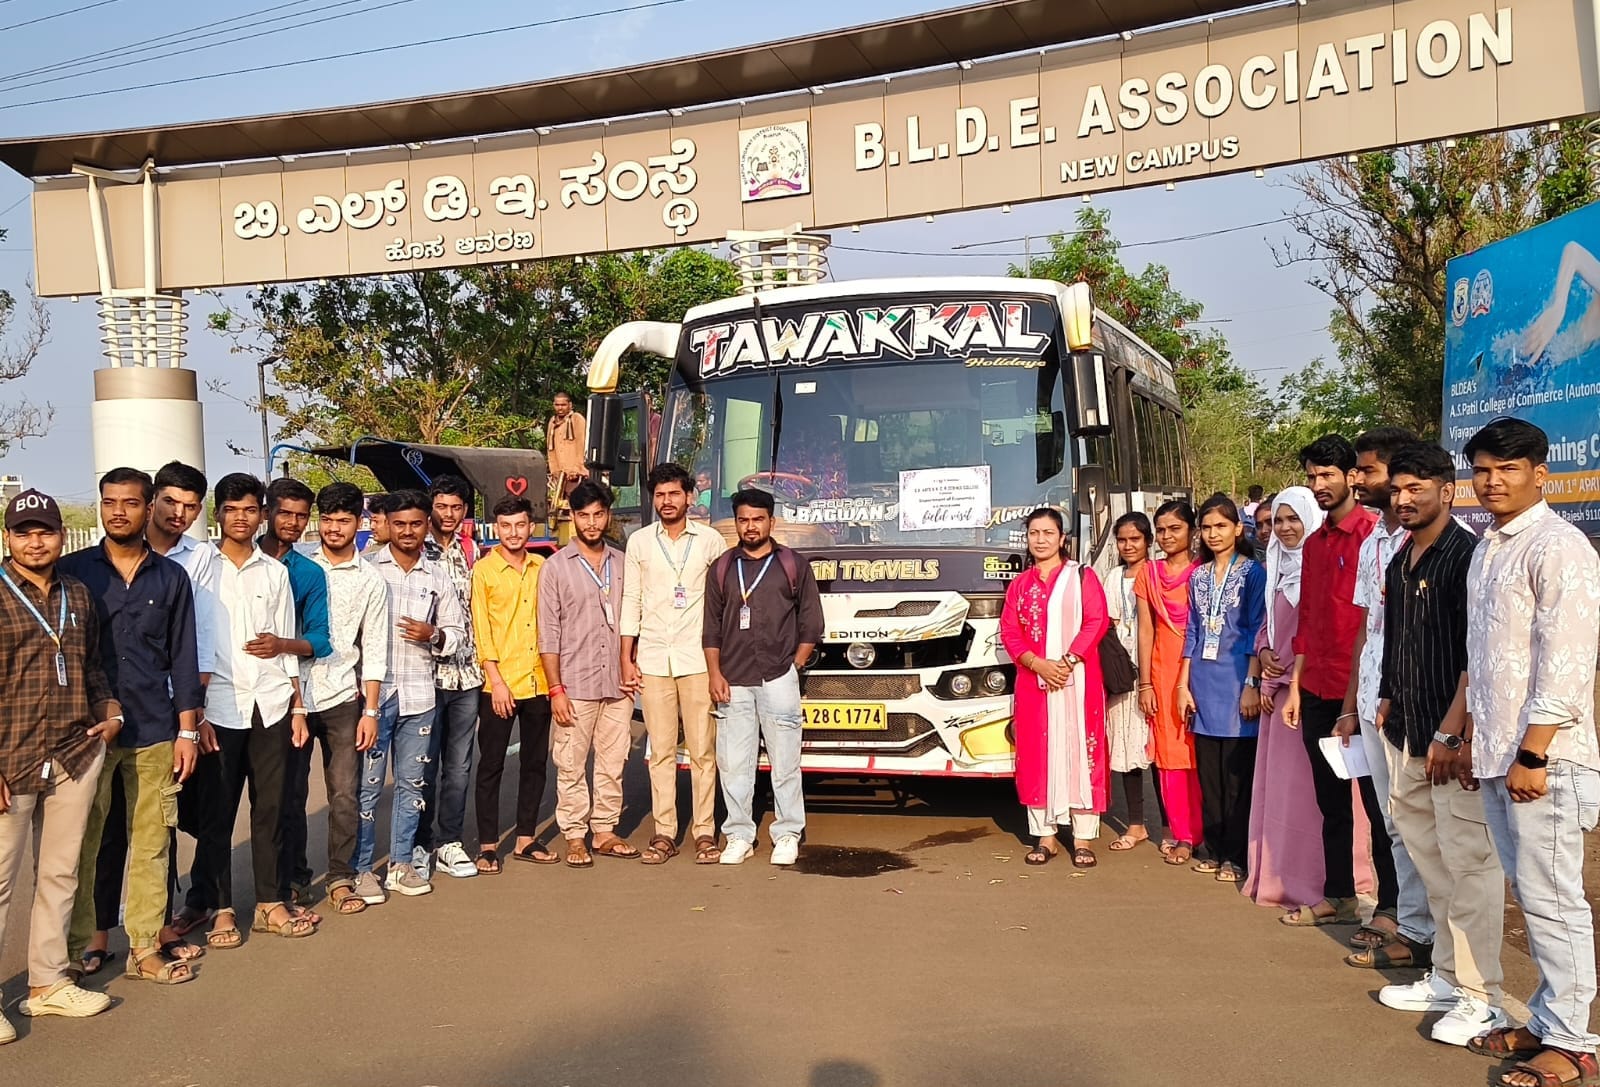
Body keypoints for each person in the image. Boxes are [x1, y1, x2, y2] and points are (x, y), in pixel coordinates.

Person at [1461, 418, 1600, 1087]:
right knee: (1532, 893)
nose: (1493, 481)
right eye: (1483, 469)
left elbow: (1567, 659)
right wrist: (1473, 740)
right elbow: (1484, 655)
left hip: (1545, 757)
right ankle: (1548, 1019)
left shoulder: (1559, 546)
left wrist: (1535, 754)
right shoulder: (1490, 546)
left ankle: (1573, 1043)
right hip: (1499, 751)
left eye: (1508, 468)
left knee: (1553, 898)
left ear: (1541, 473)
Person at [1369, 443, 1507, 1047]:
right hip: (1407, 733)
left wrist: (1456, 732)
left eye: (1415, 489)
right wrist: (1386, 697)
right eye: (1397, 489)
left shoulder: (1466, 558)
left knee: (1470, 866)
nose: (1402, 499)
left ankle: (1482, 997)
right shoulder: (1402, 558)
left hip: (1451, 743)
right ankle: (1448, 978)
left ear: (1447, 492)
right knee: (1432, 865)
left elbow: (1478, 657)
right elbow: (1398, 641)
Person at [61, 468, 202, 986]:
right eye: (109, 502)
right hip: (87, 732)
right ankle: (75, 948)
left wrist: (187, 732)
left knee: (152, 843)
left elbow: (183, 657)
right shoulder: (74, 571)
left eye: (130, 502)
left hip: (154, 730)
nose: (118, 511)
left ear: (149, 508)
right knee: (83, 844)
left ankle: (144, 947)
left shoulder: (171, 578)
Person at [0, 489, 121, 1039]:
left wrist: (110, 709)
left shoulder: (78, 593)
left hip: (72, 753)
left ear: (59, 535)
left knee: (59, 873)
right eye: (23, 532)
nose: (35, 541)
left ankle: (46, 984)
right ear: (8, 538)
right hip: (10, 759)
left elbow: (90, 665)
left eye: (44, 531)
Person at [184, 473, 315, 946]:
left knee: (271, 808)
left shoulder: (274, 572)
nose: (241, 518)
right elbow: (186, 643)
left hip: (271, 703)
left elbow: (286, 642)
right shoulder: (198, 569)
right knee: (217, 812)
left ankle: (268, 903)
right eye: (232, 509)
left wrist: (298, 707)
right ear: (218, 514)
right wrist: (194, 713)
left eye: (250, 509)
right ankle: (220, 909)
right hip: (218, 707)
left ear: (262, 514)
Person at [1281, 435, 1395, 929]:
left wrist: (1360, 697)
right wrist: (1295, 685)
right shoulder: (1314, 543)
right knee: (1330, 802)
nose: (1319, 485)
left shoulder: (1374, 536)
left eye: (1327, 475)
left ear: (1352, 476)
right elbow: (1306, 619)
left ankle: (1391, 908)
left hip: (1363, 694)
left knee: (1377, 803)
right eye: (1312, 476)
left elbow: (1374, 624)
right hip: (1317, 689)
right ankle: (1339, 895)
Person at [1337, 428, 1434, 970]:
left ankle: (1431, 939)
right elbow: (1366, 629)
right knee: (1393, 820)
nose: (1357, 479)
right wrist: (1352, 703)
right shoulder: (1374, 540)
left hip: (1414, 705)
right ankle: (1411, 929)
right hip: (1374, 699)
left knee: (1422, 823)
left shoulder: (1436, 543)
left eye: (1367, 470)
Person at [704, 487, 824, 866]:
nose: (751, 526)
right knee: (734, 765)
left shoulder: (792, 565)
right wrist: (714, 673)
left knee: (785, 762)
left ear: (772, 521)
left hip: (778, 676)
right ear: (736, 523)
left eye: (758, 519)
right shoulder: (722, 568)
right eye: (744, 520)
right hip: (733, 678)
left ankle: (787, 833)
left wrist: (794, 666)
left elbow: (811, 622)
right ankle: (739, 835)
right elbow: (711, 628)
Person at [358, 490, 465, 901]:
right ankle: (362, 869)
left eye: (415, 524)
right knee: (367, 788)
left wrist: (433, 634)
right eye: (399, 524)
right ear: (387, 524)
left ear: (426, 526)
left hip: (420, 696)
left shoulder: (437, 576)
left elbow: (456, 633)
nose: (407, 531)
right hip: (373, 698)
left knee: (412, 786)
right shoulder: (368, 569)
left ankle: (401, 865)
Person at [621, 463, 727, 865]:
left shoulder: (710, 541)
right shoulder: (640, 542)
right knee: (661, 751)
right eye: (660, 495)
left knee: (703, 751)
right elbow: (631, 599)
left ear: (689, 497)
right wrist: (626, 657)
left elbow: (721, 603)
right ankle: (664, 832)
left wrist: (720, 662)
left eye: (674, 494)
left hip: (697, 658)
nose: (667, 501)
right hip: (652, 658)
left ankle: (704, 832)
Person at [1000, 507, 1110, 868]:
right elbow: (1010, 631)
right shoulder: (1020, 585)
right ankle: (1045, 836)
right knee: (1037, 754)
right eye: (1034, 533)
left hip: (1079, 680)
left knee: (1082, 751)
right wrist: (1038, 664)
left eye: (1048, 533)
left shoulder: (1082, 577)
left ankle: (1083, 838)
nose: (1041, 540)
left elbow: (1096, 620)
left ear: (1062, 538)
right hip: (1034, 683)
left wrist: (1068, 661)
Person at [296, 483, 388, 916]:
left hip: (342, 699)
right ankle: (294, 880)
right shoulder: (296, 567)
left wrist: (370, 710)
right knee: (290, 796)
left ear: (359, 523)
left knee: (345, 795)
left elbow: (375, 648)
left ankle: (339, 877)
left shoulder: (370, 580)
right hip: (294, 699)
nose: (334, 528)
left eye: (344, 520)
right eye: (327, 519)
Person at [538, 480, 640, 866]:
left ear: (608, 515)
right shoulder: (555, 567)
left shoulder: (624, 563)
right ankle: (575, 834)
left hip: (618, 681)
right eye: (584, 515)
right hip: (575, 682)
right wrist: (556, 689)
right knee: (571, 764)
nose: (592, 523)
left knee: (613, 762)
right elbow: (548, 633)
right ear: (573, 517)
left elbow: (636, 620)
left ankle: (605, 831)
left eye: (598, 514)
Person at [1243, 487, 1336, 908]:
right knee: (1278, 794)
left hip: (1305, 693)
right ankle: (1275, 875)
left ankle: (1312, 881)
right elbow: (1269, 626)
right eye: (1277, 521)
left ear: (1311, 518)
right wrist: (1263, 654)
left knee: (1308, 796)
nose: (1283, 528)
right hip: (1276, 694)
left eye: (1292, 519)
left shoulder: (1320, 570)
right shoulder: (1277, 568)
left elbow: (1316, 634)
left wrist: (1285, 679)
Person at [1176, 495, 1266, 883]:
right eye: (1207, 527)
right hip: (1203, 681)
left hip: (1237, 681)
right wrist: (1182, 684)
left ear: (1238, 528)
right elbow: (1193, 631)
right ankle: (1212, 850)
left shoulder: (1253, 573)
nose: (1213, 534)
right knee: (1209, 777)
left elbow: (1257, 629)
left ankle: (1236, 855)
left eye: (1221, 526)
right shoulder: (1197, 576)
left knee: (1236, 778)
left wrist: (1252, 684)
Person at [258, 477, 333, 909]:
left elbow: (320, 639)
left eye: (301, 516)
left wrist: (282, 644)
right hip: (233, 696)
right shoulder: (231, 563)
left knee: (289, 795)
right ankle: (209, 894)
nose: (292, 522)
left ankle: (293, 878)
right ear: (266, 512)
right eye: (284, 512)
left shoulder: (307, 573)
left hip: (288, 695)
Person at [470, 494, 554, 872]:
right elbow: (481, 629)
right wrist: (496, 680)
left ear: (531, 527)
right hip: (499, 685)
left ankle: (526, 838)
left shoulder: (542, 567)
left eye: (520, 525)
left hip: (538, 680)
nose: (513, 532)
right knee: (491, 766)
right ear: (496, 528)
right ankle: (488, 845)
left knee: (535, 763)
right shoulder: (484, 571)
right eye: (506, 526)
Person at [419, 475, 483, 881]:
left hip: (467, 674)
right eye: (441, 506)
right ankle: (419, 843)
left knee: (458, 767)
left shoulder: (470, 549)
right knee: (422, 765)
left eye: (456, 507)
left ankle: (449, 842)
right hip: (425, 675)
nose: (448, 514)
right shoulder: (415, 548)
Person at [1135, 500, 1202, 864]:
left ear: (1192, 531)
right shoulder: (1149, 574)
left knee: (1201, 753)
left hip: (1202, 670)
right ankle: (1183, 834)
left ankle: (1208, 831)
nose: (1166, 536)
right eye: (1160, 530)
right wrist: (1145, 683)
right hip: (1163, 671)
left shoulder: (1204, 571)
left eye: (1175, 529)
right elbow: (1146, 630)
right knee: (1171, 755)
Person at [1104, 512, 1157, 852]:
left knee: (1160, 751)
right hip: (1123, 673)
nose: (1128, 545)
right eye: (1122, 540)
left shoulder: (1158, 574)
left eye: (1135, 539)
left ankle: (1171, 827)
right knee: (1127, 748)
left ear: (1148, 541)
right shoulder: (1113, 577)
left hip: (1156, 669)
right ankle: (1136, 825)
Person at [546, 392, 588, 500]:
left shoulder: (576, 419)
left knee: (577, 502)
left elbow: (582, 444)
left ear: (570, 405)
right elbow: (550, 449)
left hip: (576, 474)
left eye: (563, 405)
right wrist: (554, 471)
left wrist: (577, 468)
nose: (560, 408)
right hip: (560, 476)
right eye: (557, 405)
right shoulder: (552, 422)